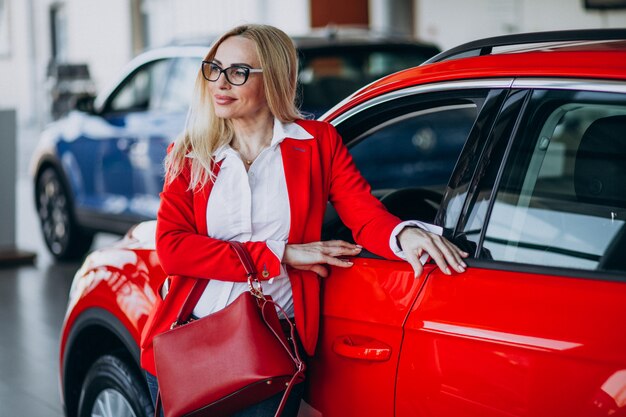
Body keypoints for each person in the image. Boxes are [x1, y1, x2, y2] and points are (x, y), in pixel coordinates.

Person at [140, 23, 468, 417]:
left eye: (238, 72)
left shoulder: (318, 144)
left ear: (274, 79)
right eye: (214, 68)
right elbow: (173, 249)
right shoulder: (190, 152)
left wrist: (406, 233)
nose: (220, 83)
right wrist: (280, 255)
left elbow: (365, 216)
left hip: (272, 351)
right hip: (192, 341)